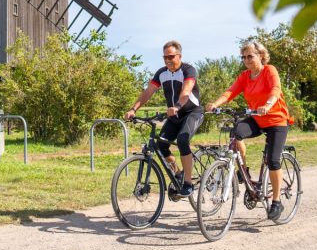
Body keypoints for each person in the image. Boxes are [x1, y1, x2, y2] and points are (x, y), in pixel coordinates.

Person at [205, 40, 293, 221]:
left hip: (276, 120)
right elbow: (230, 92)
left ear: (261, 56)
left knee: (273, 161)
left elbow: (276, 89)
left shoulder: (269, 70)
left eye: (250, 56)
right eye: (243, 57)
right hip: (257, 119)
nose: (246, 60)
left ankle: (276, 201)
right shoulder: (245, 76)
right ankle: (242, 171)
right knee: (235, 133)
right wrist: (215, 104)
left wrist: (268, 104)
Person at [125, 40, 204, 197]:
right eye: (165, 57)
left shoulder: (188, 70)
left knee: (182, 140)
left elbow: (186, 91)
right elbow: (148, 92)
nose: (168, 60)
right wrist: (133, 109)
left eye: (171, 56)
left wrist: (177, 106)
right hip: (174, 116)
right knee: (161, 144)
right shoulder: (162, 73)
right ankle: (178, 174)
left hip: (192, 112)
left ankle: (188, 183)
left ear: (179, 56)